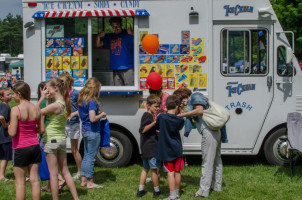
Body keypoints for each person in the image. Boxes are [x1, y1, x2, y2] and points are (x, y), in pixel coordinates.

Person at [38, 78, 79, 200]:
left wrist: (41, 98)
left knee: (53, 174)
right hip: (61, 140)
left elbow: (36, 112)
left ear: (55, 88)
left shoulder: (56, 105)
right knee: (65, 171)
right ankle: (76, 198)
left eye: (48, 88)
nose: (46, 91)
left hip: (50, 140)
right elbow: (50, 112)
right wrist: (48, 99)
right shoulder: (64, 103)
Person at [178, 92, 222, 198]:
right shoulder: (197, 99)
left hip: (209, 132)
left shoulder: (194, 97)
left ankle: (203, 191)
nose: (182, 104)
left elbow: (199, 110)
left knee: (207, 162)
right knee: (216, 160)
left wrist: (182, 114)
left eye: (182, 101)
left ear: (185, 97)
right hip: (215, 131)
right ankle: (216, 186)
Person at [8, 82, 42, 200]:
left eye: (14, 94)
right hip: (35, 146)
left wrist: (8, 127)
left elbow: (12, 133)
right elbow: (41, 129)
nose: (13, 96)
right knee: (35, 180)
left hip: (20, 147)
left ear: (19, 94)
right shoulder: (36, 109)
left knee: (20, 183)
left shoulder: (15, 110)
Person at [77, 77, 106, 189]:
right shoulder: (92, 101)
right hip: (93, 131)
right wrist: (101, 115)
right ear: (95, 88)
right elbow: (93, 118)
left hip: (84, 130)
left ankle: (83, 180)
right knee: (91, 157)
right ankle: (90, 182)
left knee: (86, 155)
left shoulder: (82, 99)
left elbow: (81, 115)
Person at [155, 95, 185, 200]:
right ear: (177, 106)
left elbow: (157, 127)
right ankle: (177, 194)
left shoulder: (161, 117)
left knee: (170, 172)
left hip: (166, 149)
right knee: (177, 171)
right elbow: (179, 125)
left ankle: (172, 196)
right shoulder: (180, 120)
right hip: (177, 148)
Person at [96, 17, 134, 86]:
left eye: (117, 26)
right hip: (115, 68)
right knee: (119, 92)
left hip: (128, 67)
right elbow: (98, 44)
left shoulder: (127, 34)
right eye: (113, 26)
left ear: (121, 25)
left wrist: (133, 34)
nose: (115, 28)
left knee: (130, 91)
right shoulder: (110, 36)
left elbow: (139, 43)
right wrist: (98, 36)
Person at [59, 72, 82, 181]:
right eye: (60, 82)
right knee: (60, 150)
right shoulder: (59, 93)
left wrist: (73, 114)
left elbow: (82, 109)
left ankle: (79, 172)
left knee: (74, 149)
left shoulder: (76, 93)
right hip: (62, 124)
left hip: (73, 123)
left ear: (69, 82)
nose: (61, 84)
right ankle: (61, 173)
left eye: (62, 82)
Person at [137, 95, 161, 198]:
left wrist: (156, 131)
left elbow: (148, 131)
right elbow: (143, 130)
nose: (157, 108)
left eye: (158, 106)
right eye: (155, 106)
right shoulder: (147, 116)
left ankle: (141, 189)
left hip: (145, 147)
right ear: (148, 106)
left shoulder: (150, 116)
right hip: (150, 147)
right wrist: (155, 122)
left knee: (145, 169)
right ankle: (156, 190)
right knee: (154, 170)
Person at [0, 88, 12, 182]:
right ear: (2, 97)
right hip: (5, 136)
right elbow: (1, 117)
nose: (10, 96)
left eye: (10, 94)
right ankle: (1, 176)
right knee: (6, 157)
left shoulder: (2, 105)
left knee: (5, 156)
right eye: (8, 95)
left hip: (2, 136)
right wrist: (5, 126)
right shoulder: (6, 107)